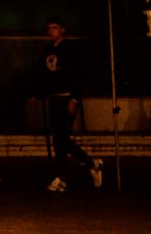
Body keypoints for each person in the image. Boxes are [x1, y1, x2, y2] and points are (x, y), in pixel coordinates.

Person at [40, 17, 102, 192]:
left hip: (67, 97)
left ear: (62, 30)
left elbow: (80, 74)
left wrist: (75, 98)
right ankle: (89, 164)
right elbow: (45, 74)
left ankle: (63, 177)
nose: (51, 31)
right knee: (59, 139)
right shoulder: (47, 50)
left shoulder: (71, 49)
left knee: (61, 138)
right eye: (49, 28)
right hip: (54, 97)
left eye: (55, 28)